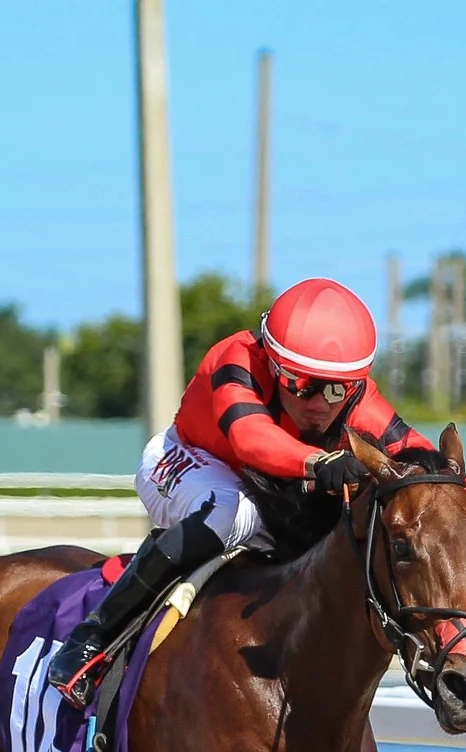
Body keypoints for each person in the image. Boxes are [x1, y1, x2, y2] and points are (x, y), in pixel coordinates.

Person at [47, 276, 445, 703]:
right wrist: (317, 461)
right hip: (187, 462)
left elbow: (429, 464)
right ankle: (92, 640)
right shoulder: (236, 358)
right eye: (303, 385)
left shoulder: (358, 398)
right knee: (232, 511)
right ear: (273, 363)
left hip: (270, 484)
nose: (320, 404)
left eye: (336, 389)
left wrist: (465, 503)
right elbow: (250, 438)